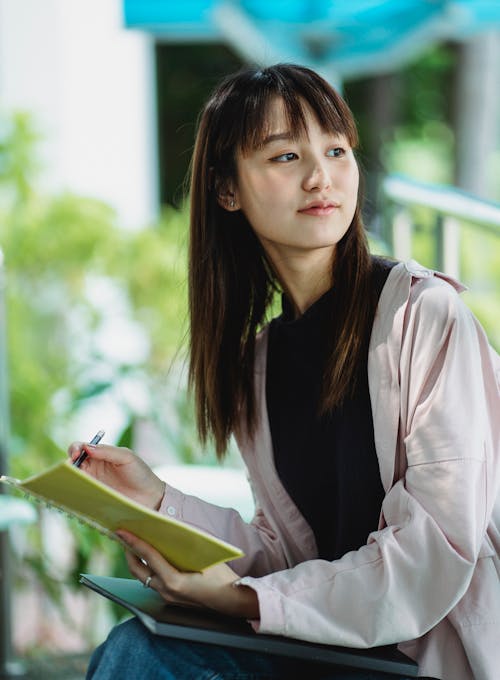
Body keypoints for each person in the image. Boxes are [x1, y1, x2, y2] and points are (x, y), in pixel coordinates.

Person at [68, 64, 499, 680]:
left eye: (336, 149)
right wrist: (157, 501)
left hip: (423, 656)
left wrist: (238, 599)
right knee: (133, 649)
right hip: (324, 649)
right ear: (227, 190)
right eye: (286, 155)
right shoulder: (258, 366)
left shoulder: (423, 315)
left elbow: (432, 552)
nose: (321, 176)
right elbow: (287, 552)